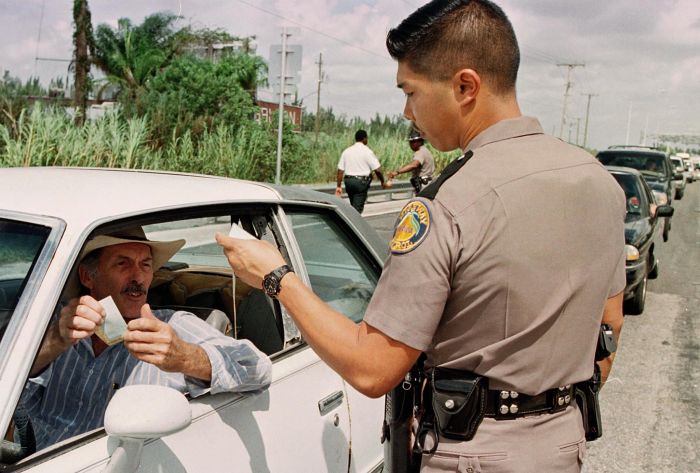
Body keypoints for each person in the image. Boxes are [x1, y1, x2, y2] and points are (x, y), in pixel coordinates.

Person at [216, 1, 625, 471]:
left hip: (472, 455)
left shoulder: (447, 203)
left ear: (465, 86)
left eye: (410, 91)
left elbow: (373, 368)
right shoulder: (597, 180)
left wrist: (276, 276)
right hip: (563, 443)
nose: (408, 111)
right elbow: (609, 326)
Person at [21, 228, 272, 451]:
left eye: (145, 265)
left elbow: (257, 368)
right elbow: (15, 397)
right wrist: (55, 341)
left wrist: (185, 357)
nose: (138, 278)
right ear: (88, 277)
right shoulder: (60, 323)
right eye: (123, 264)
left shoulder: (172, 326)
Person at [335, 129, 389, 213]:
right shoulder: (367, 151)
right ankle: (353, 224)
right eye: (367, 138)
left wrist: (338, 186)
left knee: (353, 207)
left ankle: (351, 221)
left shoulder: (347, 151)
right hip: (360, 184)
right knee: (357, 210)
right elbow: (377, 170)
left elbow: (340, 170)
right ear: (364, 139)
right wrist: (382, 181)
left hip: (349, 182)